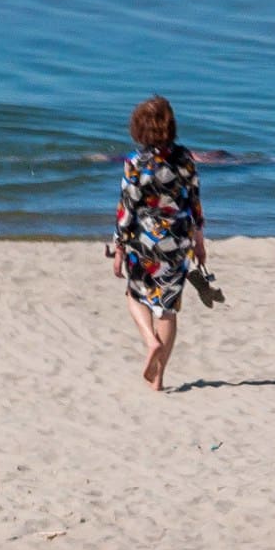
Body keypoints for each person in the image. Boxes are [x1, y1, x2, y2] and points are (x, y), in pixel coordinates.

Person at [109, 95, 208, 391]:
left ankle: (150, 341)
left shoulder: (135, 164)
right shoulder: (186, 160)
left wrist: (119, 248)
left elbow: (126, 211)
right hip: (177, 242)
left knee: (134, 295)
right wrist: (200, 243)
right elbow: (195, 204)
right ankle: (159, 378)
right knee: (166, 309)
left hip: (144, 242)